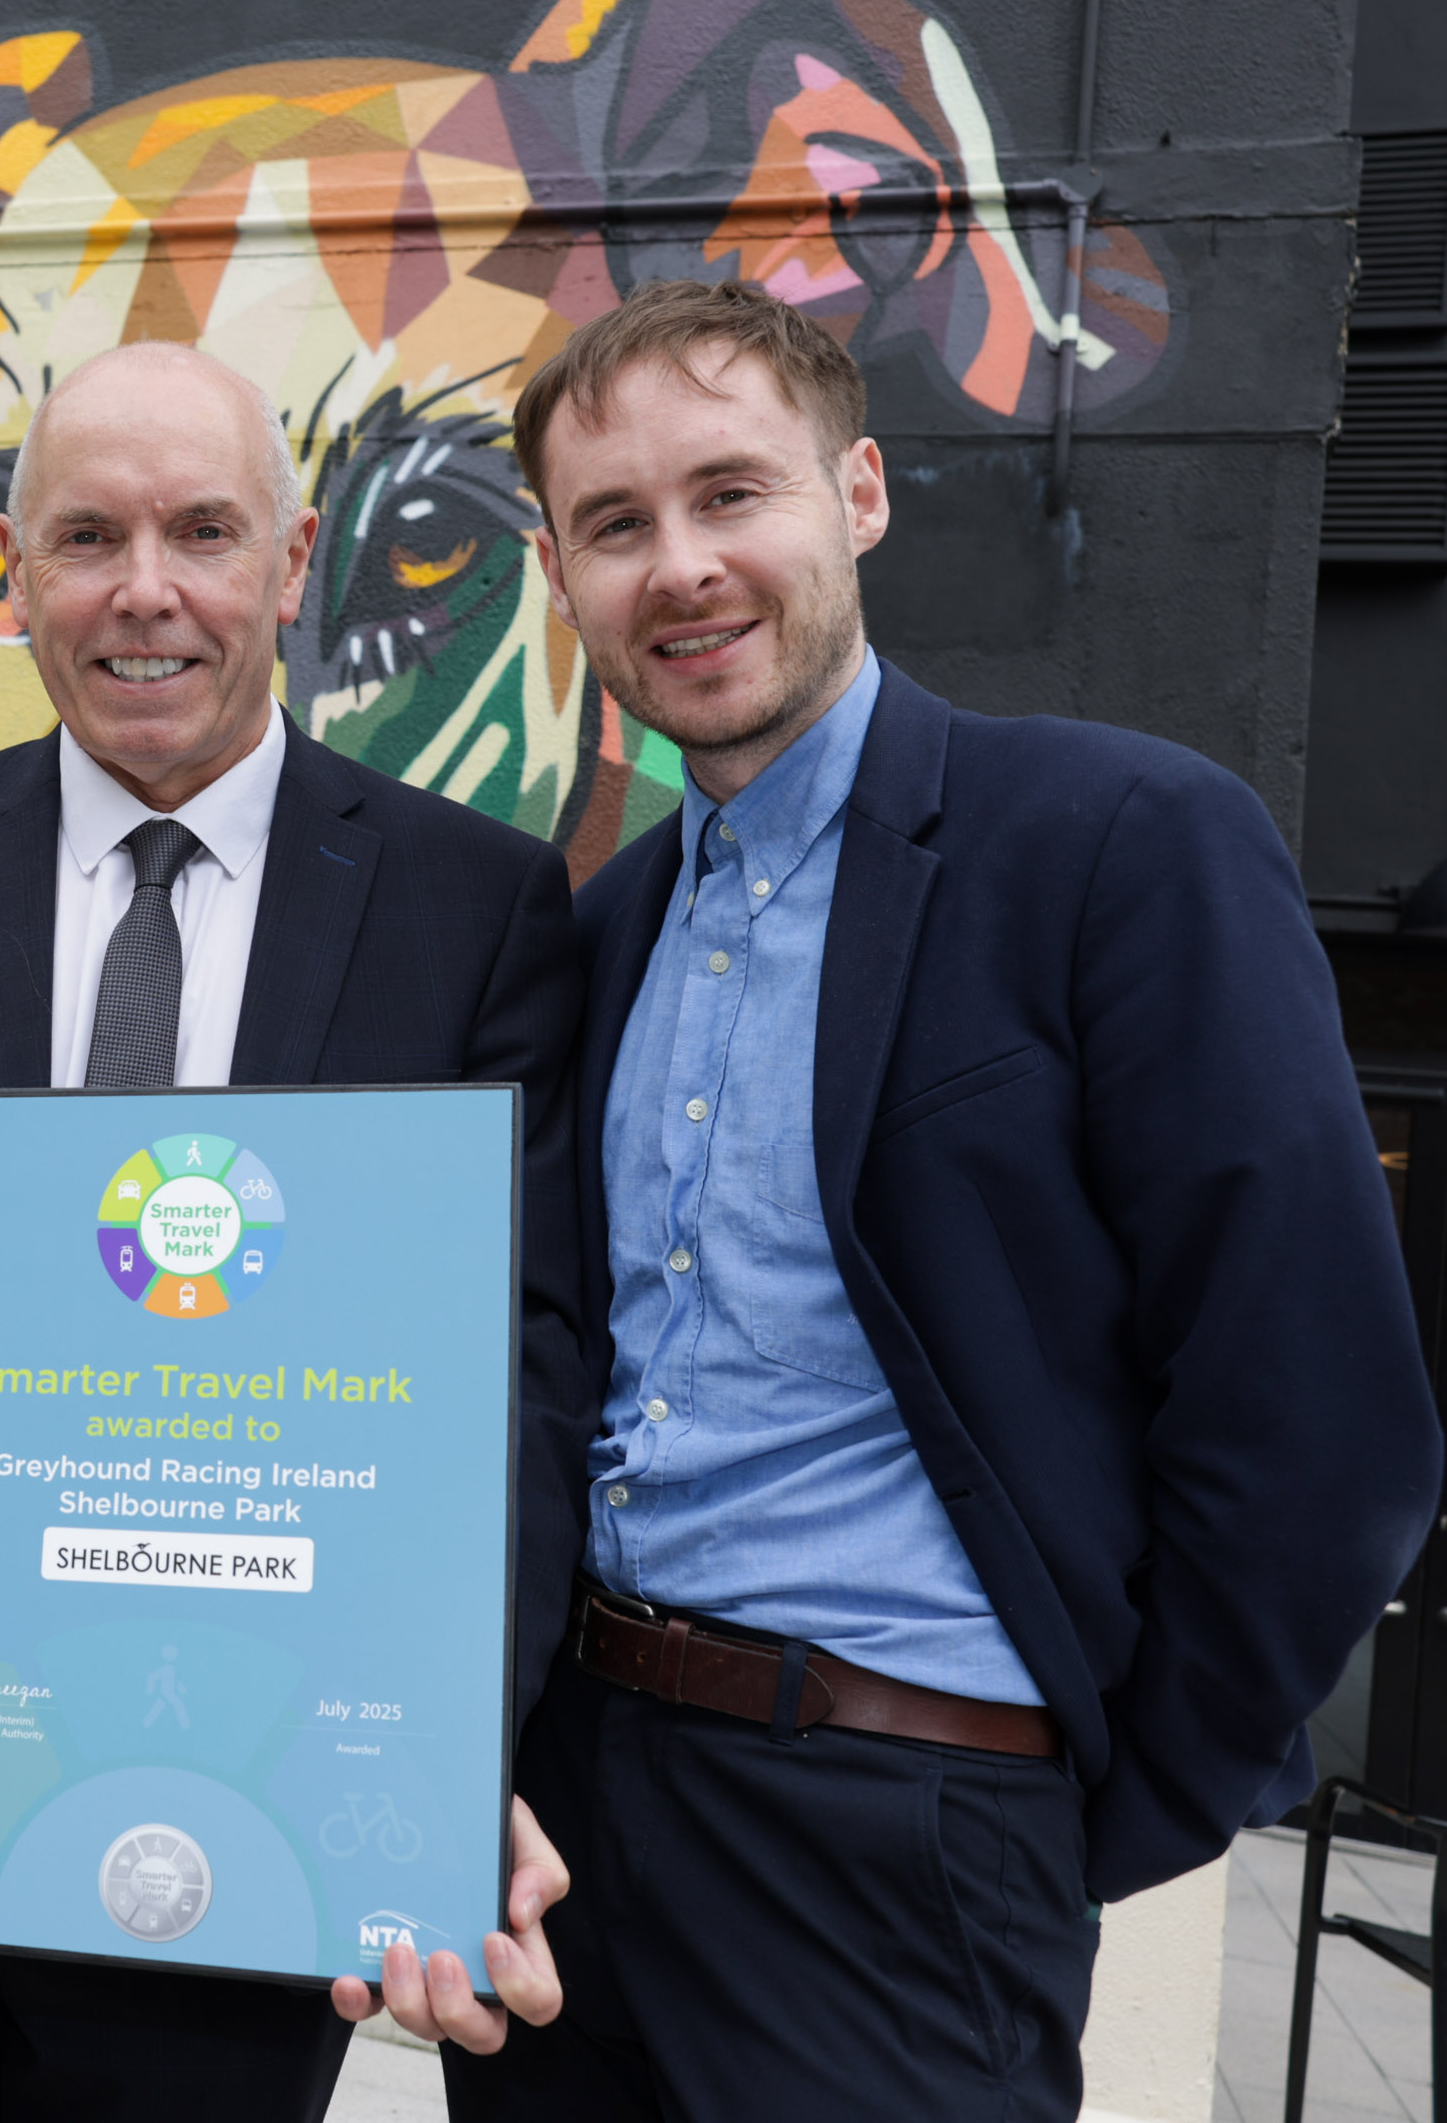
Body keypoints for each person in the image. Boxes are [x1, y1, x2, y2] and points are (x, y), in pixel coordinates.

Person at [444, 279, 1444, 2121]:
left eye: (732, 493)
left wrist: (1094, 1802)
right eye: (615, 525)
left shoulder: (1115, 845)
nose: (680, 567)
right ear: (566, 578)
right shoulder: (595, 933)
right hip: (585, 1823)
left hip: (905, 1825)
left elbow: (1317, 1412)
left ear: (862, 496)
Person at [0, 339, 586, 2121]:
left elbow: (512, 1374)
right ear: (21, 577)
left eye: (203, 534)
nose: (146, 594)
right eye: (88, 538)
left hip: (254, 1826)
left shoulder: (477, 910)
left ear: (291, 563)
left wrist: (443, 1744)